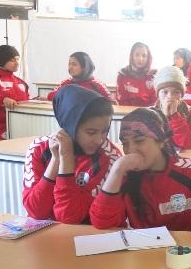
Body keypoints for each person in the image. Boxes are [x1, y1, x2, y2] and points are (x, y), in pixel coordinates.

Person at [90, 108, 191, 230]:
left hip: (188, 248)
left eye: (139, 141)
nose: (130, 150)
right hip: (145, 248)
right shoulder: (124, 174)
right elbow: (102, 222)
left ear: (161, 141)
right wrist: (117, 170)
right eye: (125, 143)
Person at [22, 85, 121, 223]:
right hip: (47, 235)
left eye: (105, 131)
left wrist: (66, 159)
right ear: (70, 125)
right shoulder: (38, 148)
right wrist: (56, 159)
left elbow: (70, 216)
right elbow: (36, 211)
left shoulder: (109, 157)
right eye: (91, 132)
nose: (99, 139)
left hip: (85, 235)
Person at [0, 45, 30, 141]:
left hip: (21, 125)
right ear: (1, 60)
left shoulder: (21, 82)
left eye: (17, 59)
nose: (17, 63)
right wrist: (2, 100)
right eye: (12, 60)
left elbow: (27, 102)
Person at [153, 66, 191, 150]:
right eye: (165, 92)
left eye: (176, 92)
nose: (170, 97)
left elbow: (188, 145)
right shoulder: (149, 113)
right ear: (158, 95)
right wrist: (164, 117)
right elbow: (152, 144)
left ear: (182, 95)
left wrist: (175, 116)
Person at [47, 51, 113, 102]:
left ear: (84, 67)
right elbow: (50, 96)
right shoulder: (67, 83)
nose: (70, 67)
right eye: (69, 64)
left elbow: (111, 103)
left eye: (74, 64)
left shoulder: (96, 84)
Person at [115, 42, 157, 106]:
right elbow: (122, 100)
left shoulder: (152, 76)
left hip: (149, 113)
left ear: (148, 58)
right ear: (132, 56)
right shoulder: (123, 75)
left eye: (144, 56)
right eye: (137, 55)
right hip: (127, 113)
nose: (140, 59)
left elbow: (155, 100)